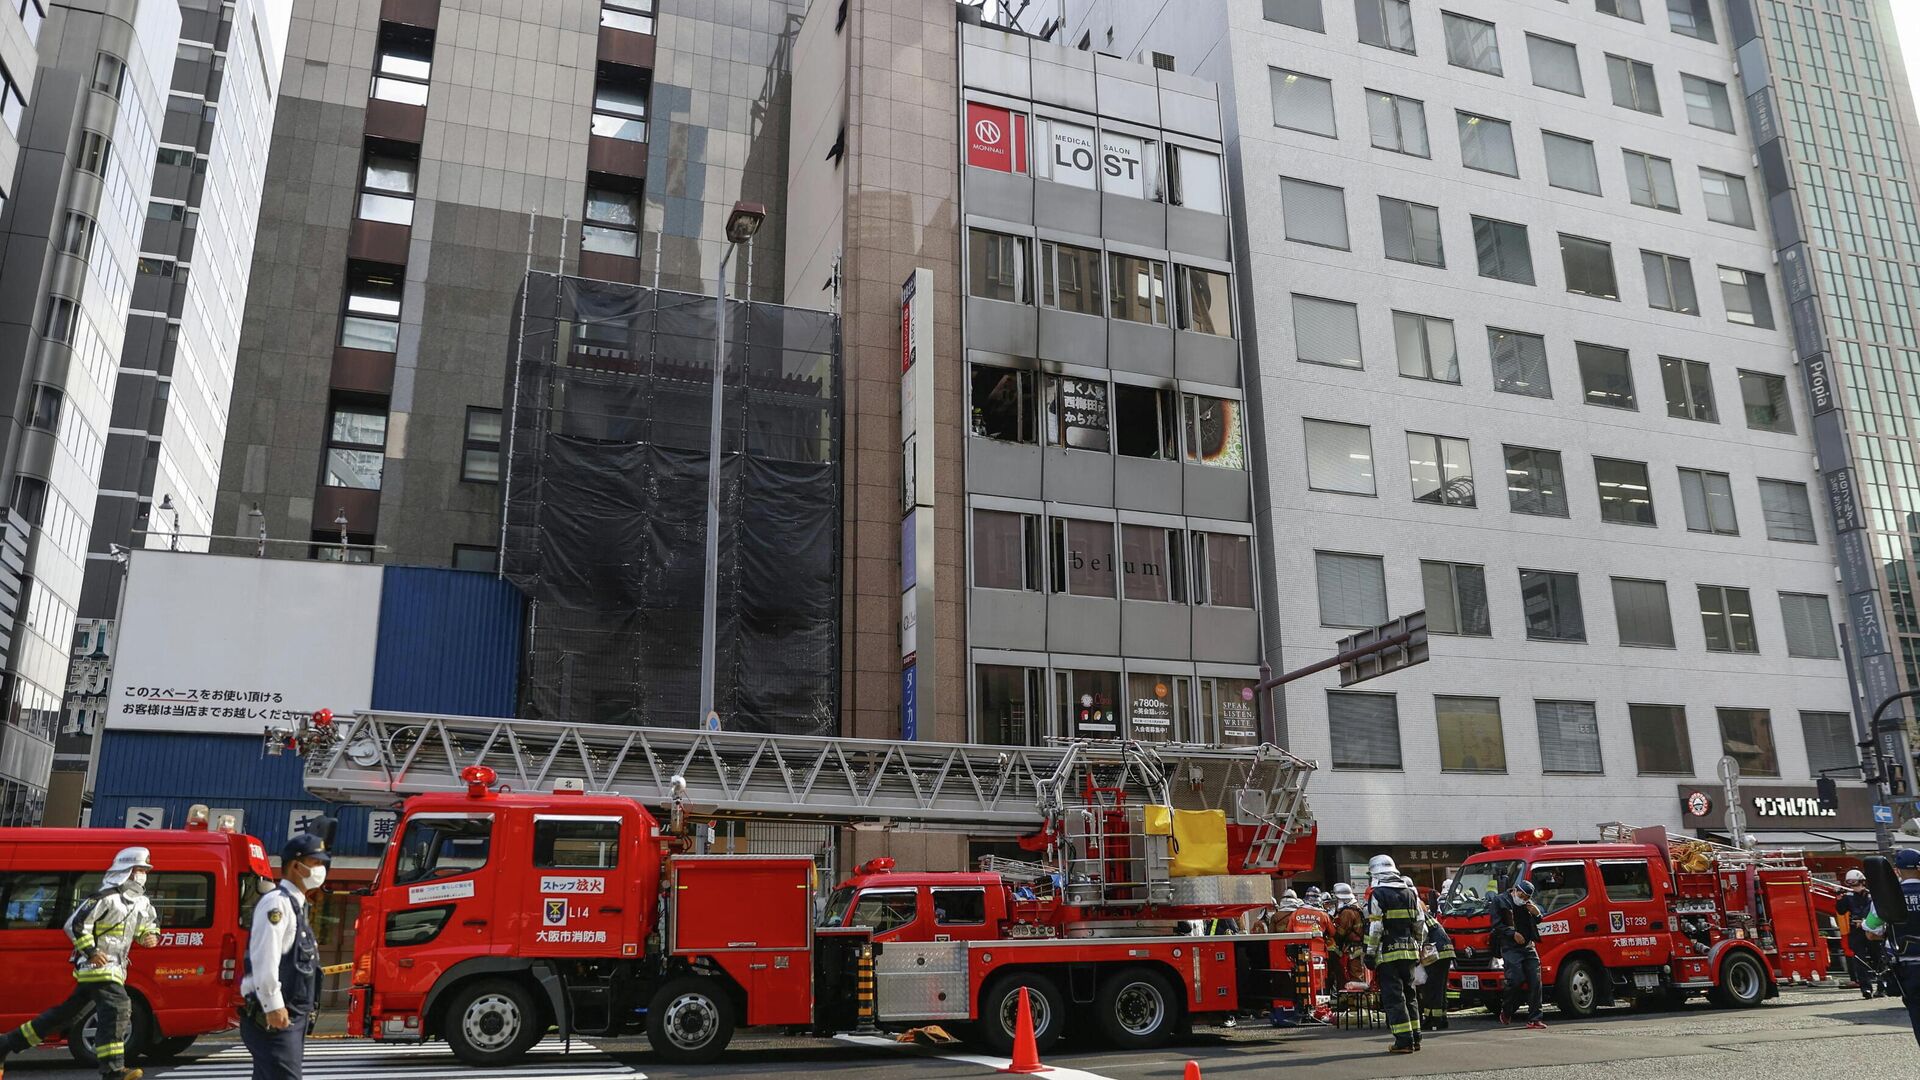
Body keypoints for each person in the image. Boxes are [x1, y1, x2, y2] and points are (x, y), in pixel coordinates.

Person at [0, 847, 159, 1080]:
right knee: (118, 1007)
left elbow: (148, 924)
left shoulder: (141, 902)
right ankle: (113, 1070)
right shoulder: (104, 898)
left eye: (145, 870)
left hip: (117, 967)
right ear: (127, 870)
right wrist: (91, 951)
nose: (143, 874)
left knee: (64, 1016)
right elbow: (75, 925)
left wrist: (150, 935)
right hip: (95, 966)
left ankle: (6, 1044)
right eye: (140, 869)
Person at [240, 833, 329, 1080]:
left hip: (290, 1016)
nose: (321, 870)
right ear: (295, 866)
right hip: (274, 1017)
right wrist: (273, 1006)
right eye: (315, 863)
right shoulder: (276, 905)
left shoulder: (296, 905)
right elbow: (265, 959)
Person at [1364, 855, 1426, 1054]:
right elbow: (1420, 925)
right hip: (1409, 952)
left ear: (1374, 873)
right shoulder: (1410, 893)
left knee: (1394, 998)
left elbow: (1375, 927)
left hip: (1387, 954)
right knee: (1410, 996)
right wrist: (1418, 947)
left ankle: (1403, 1041)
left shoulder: (1378, 894)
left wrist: (1370, 954)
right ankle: (1416, 1038)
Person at [1864, 848, 1920, 1047]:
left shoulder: (1886, 897)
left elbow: (1871, 932)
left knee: (1916, 1012)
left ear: (1897, 870)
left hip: (1907, 968)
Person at [1491, 878, 1545, 1029]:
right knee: (1515, 979)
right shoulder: (1500, 901)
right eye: (1521, 896)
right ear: (1515, 890)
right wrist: (1512, 933)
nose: (1523, 900)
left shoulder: (1528, 905)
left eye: (1526, 898)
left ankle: (1535, 1018)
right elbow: (1496, 924)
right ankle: (1507, 1011)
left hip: (1528, 945)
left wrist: (1537, 914)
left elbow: (1538, 920)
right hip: (1510, 947)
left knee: (1536, 980)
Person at [1839, 869, 1887, 998]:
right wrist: (1839, 899)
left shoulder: (1872, 896)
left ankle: (1882, 986)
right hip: (1856, 931)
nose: (1854, 886)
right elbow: (1841, 910)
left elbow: (1877, 913)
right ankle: (1866, 988)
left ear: (1862, 882)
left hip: (1871, 929)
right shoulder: (1848, 897)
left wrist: (1865, 921)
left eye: (1856, 883)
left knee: (1878, 958)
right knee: (1859, 960)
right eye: (1850, 883)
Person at [1420, 907, 1455, 1032]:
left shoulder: (1417, 913)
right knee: (1440, 987)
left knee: (1432, 987)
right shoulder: (1424, 913)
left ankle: (1434, 1020)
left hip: (1436, 952)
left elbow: (1421, 934)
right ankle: (1441, 1018)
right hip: (1445, 949)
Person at [1330, 882, 1367, 989]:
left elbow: (1341, 933)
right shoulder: (1357, 907)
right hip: (1358, 947)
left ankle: (1354, 1000)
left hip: (1352, 949)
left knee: (1353, 976)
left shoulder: (1347, 912)